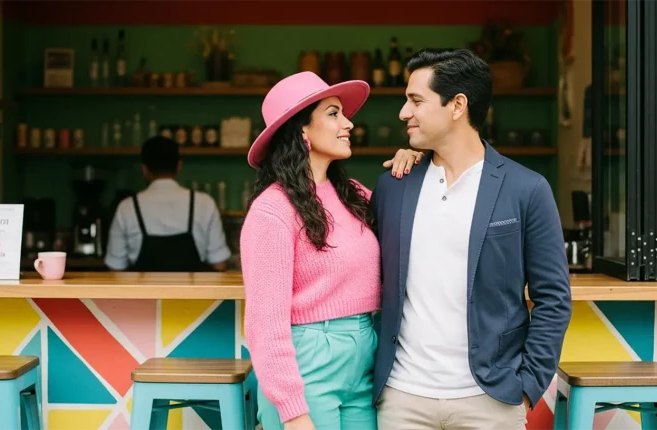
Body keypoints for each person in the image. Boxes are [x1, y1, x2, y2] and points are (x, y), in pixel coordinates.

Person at [370, 48, 572, 429]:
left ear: (457, 105)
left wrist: (527, 386)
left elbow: (554, 298)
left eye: (416, 100)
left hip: (490, 399)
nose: (403, 112)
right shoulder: (392, 186)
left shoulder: (526, 189)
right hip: (402, 398)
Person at [239, 71, 422, 430]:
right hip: (307, 365)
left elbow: (412, 222)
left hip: (363, 356)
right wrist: (292, 411)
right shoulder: (272, 210)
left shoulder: (353, 194)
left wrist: (417, 163)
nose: (349, 123)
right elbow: (264, 323)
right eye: (334, 113)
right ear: (301, 130)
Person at [105, 135, 231, 272]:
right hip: (192, 294)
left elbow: (115, 267)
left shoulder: (127, 207)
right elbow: (220, 264)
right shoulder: (205, 203)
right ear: (179, 166)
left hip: (144, 294)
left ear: (144, 169)